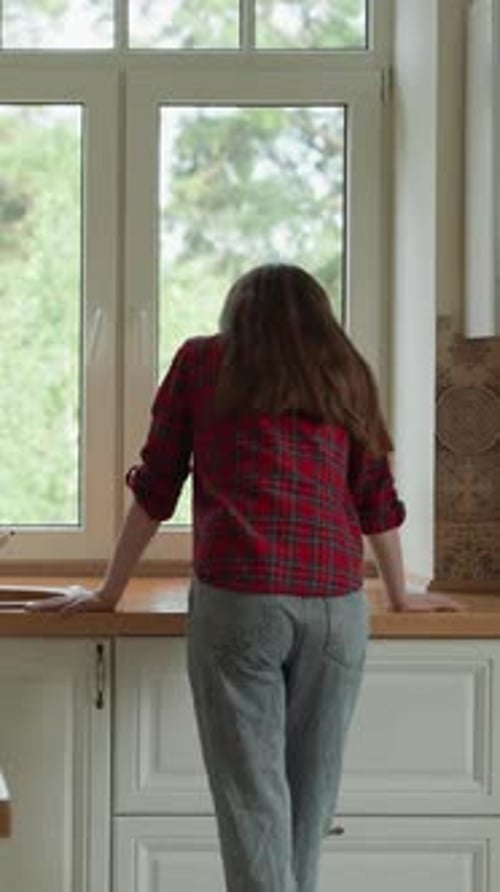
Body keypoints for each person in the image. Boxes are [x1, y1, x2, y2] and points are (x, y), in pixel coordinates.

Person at [30, 264, 464, 892]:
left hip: (242, 598)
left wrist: (108, 590)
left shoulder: (205, 363)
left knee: (254, 808)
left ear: (236, 314)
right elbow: (374, 493)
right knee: (310, 807)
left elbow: (157, 487)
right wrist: (399, 593)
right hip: (338, 607)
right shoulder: (344, 370)